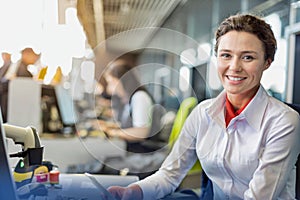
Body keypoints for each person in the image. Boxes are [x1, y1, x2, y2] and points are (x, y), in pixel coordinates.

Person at [107, 13, 300, 200]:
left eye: (247, 57)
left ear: (267, 62)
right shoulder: (203, 113)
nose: (234, 67)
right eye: (226, 55)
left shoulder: (283, 121)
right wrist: (133, 192)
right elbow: (169, 175)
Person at [98, 59, 155, 153]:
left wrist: (112, 132)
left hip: (142, 153)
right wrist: (109, 127)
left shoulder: (139, 97)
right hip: (133, 149)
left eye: (111, 82)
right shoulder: (130, 98)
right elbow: (129, 125)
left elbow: (141, 133)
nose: (110, 87)